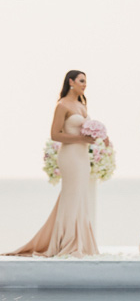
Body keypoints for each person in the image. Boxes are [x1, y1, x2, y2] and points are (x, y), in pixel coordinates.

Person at [6, 70, 100, 257]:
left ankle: (79, 240)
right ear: (71, 82)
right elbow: (55, 134)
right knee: (71, 195)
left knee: (80, 195)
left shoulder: (82, 105)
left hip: (82, 156)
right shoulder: (62, 105)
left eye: (85, 81)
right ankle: (66, 241)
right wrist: (80, 138)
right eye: (81, 81)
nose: (84, 84)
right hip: (70, 156)